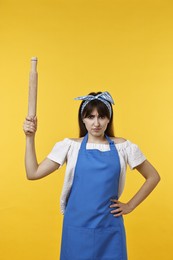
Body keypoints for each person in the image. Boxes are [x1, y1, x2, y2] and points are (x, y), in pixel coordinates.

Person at [23, 91, 160, 260]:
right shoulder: (69, 147)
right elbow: (33, 173)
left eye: (101, 117)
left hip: (109, 229)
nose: (96, 123)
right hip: (76, 230)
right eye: (91, 117)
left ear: (109, 119)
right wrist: (30, 137)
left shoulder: (123, 147)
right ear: (83, 119)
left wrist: (130, 205)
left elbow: (153, 176)